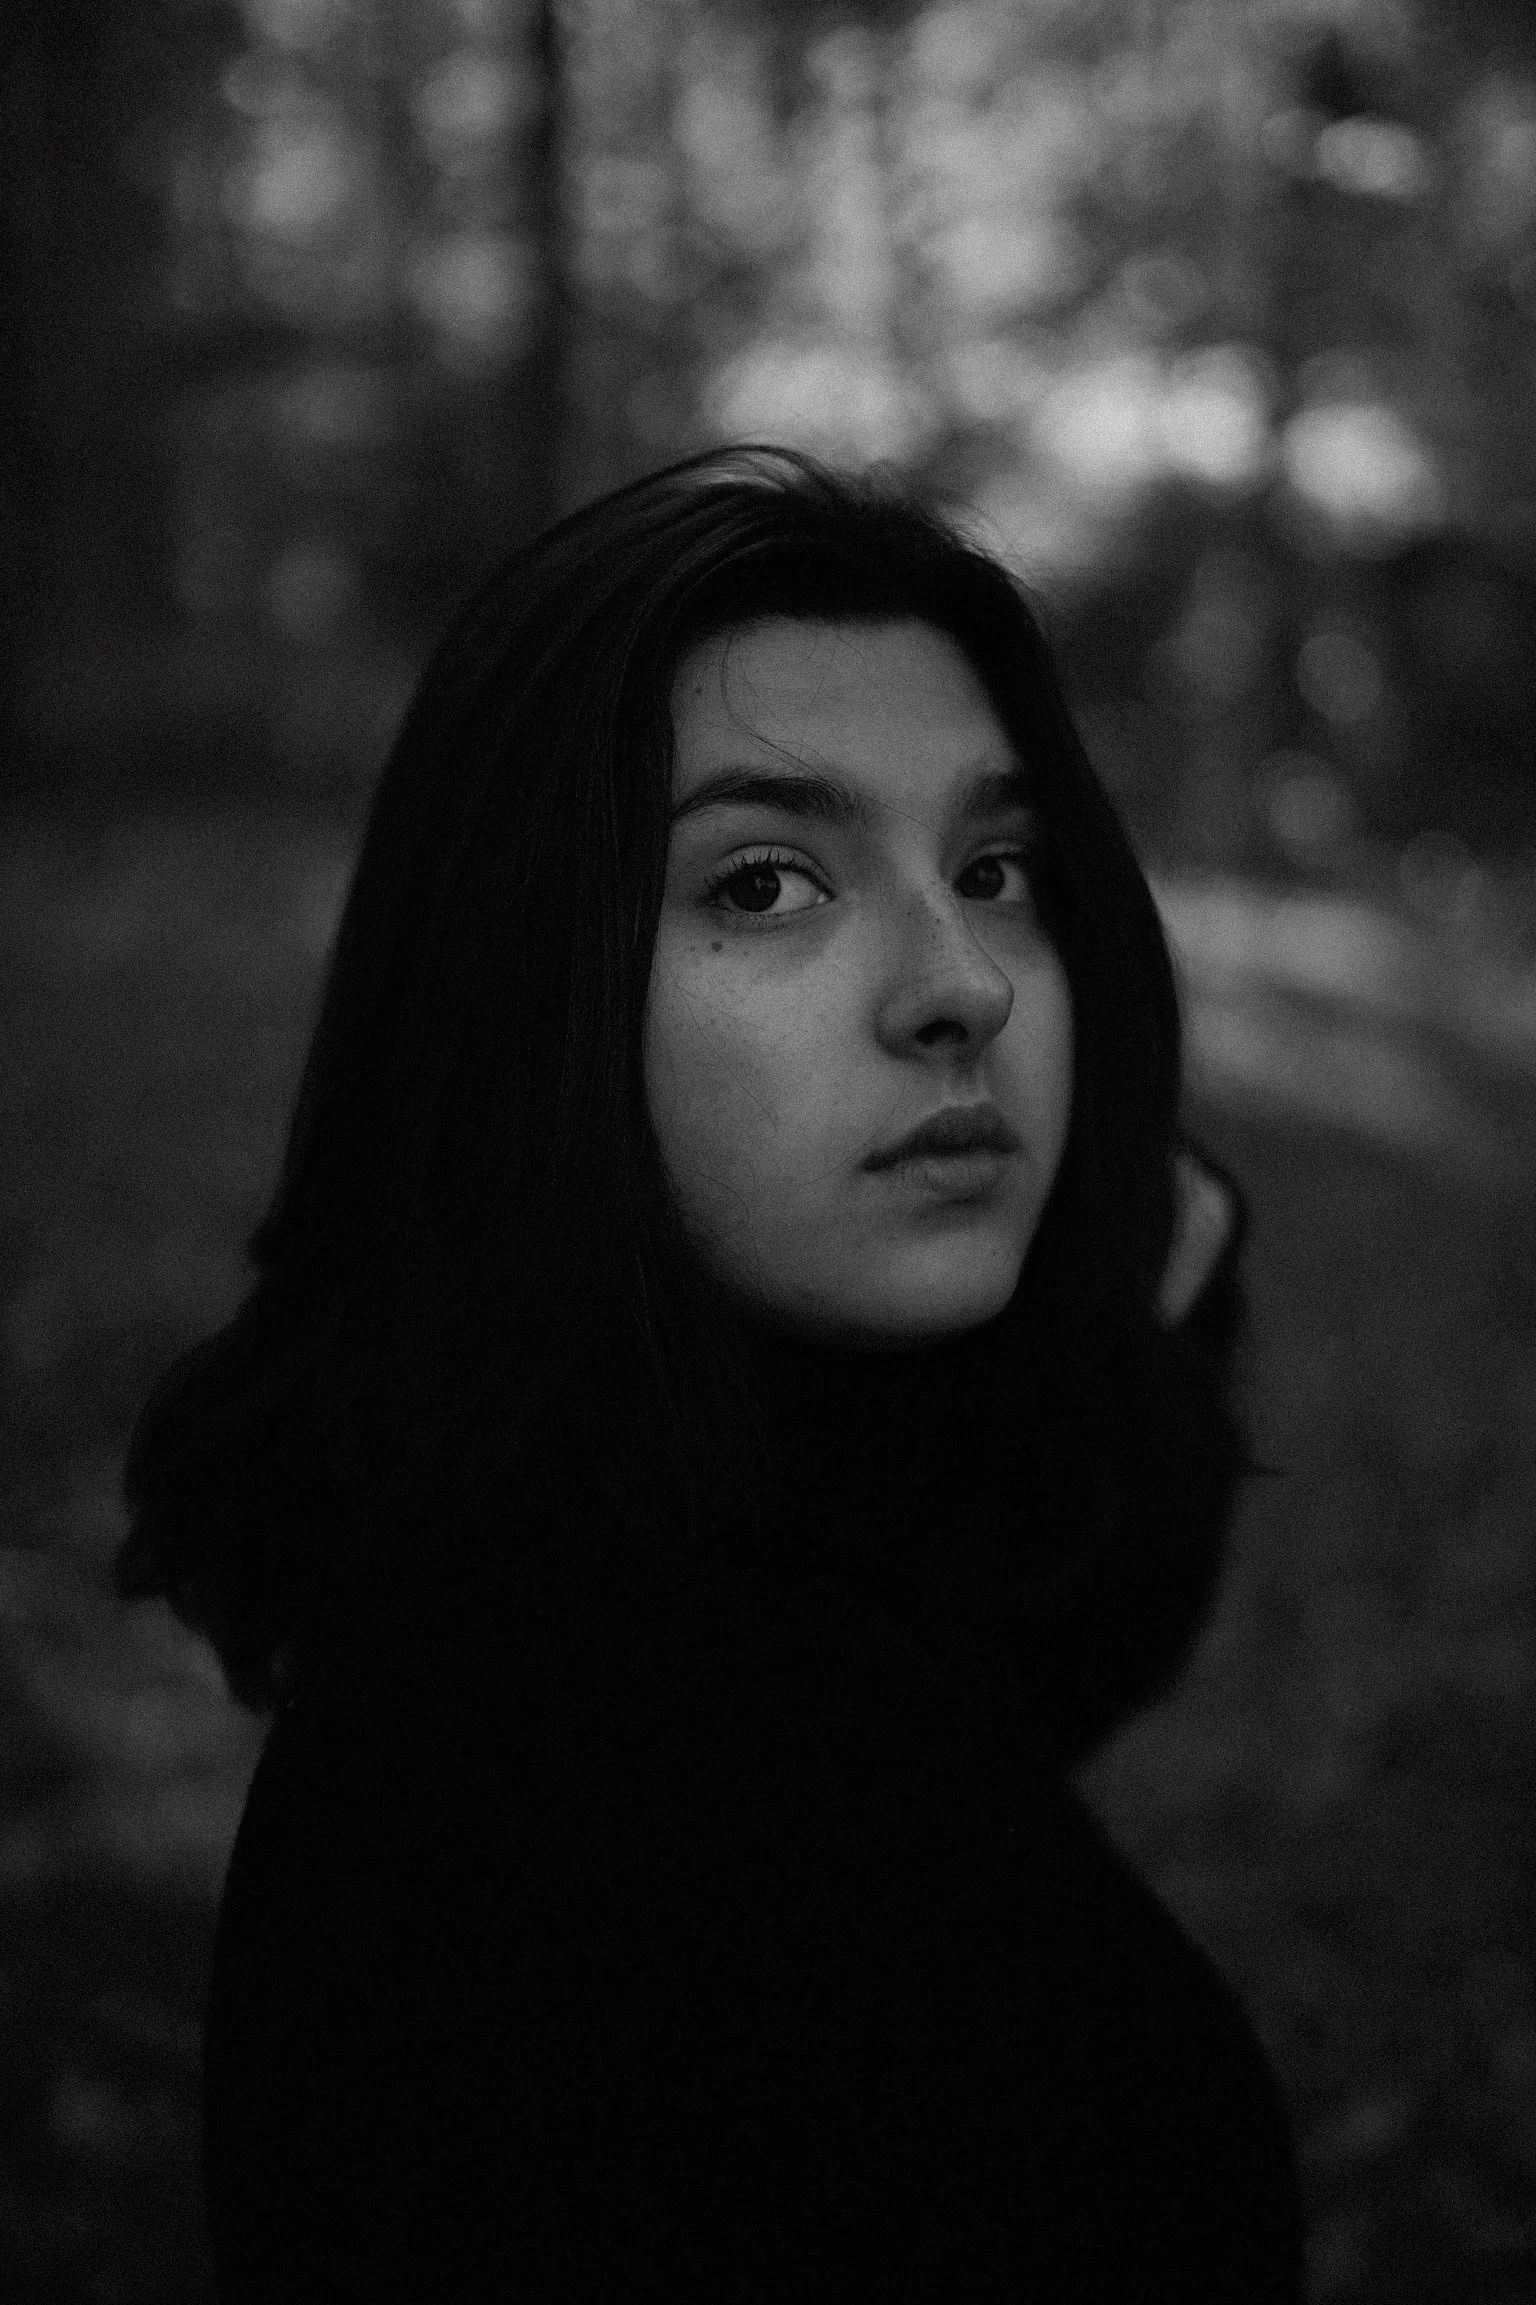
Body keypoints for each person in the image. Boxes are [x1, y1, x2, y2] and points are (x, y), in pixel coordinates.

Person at [116, 445, 1306, 2301]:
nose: (962, 983)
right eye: (766, 884)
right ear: (530, 996)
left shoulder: (763, 1512)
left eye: (997, 867)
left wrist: (1142, 1351)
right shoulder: (498, 1832)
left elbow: (971, 1682)